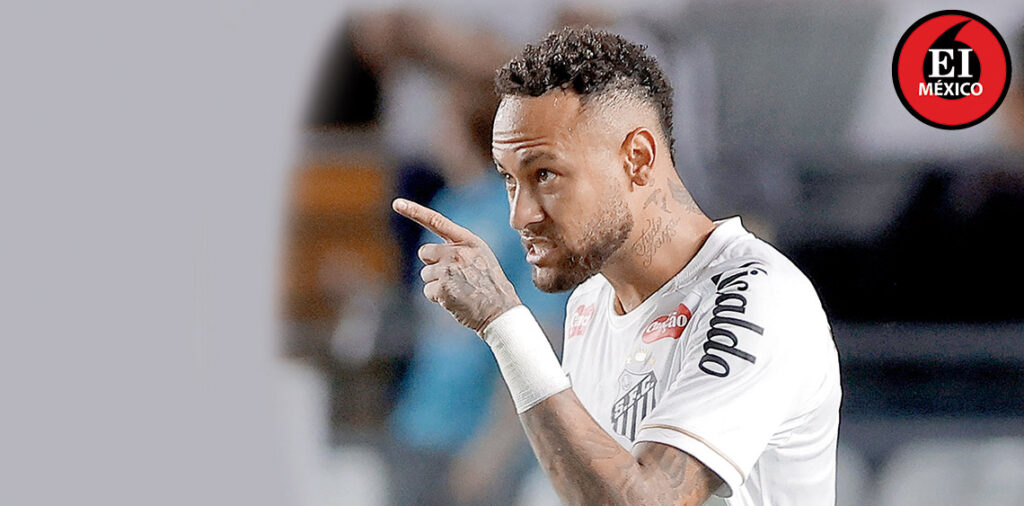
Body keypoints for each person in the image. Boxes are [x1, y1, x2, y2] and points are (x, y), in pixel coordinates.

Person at [393, 26, 841, 505]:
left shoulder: (759, 296)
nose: (520, 215)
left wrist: (504, 321)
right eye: (509, 179)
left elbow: (647, 500)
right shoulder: (589, 302)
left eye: (545, 174)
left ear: (637, 159)